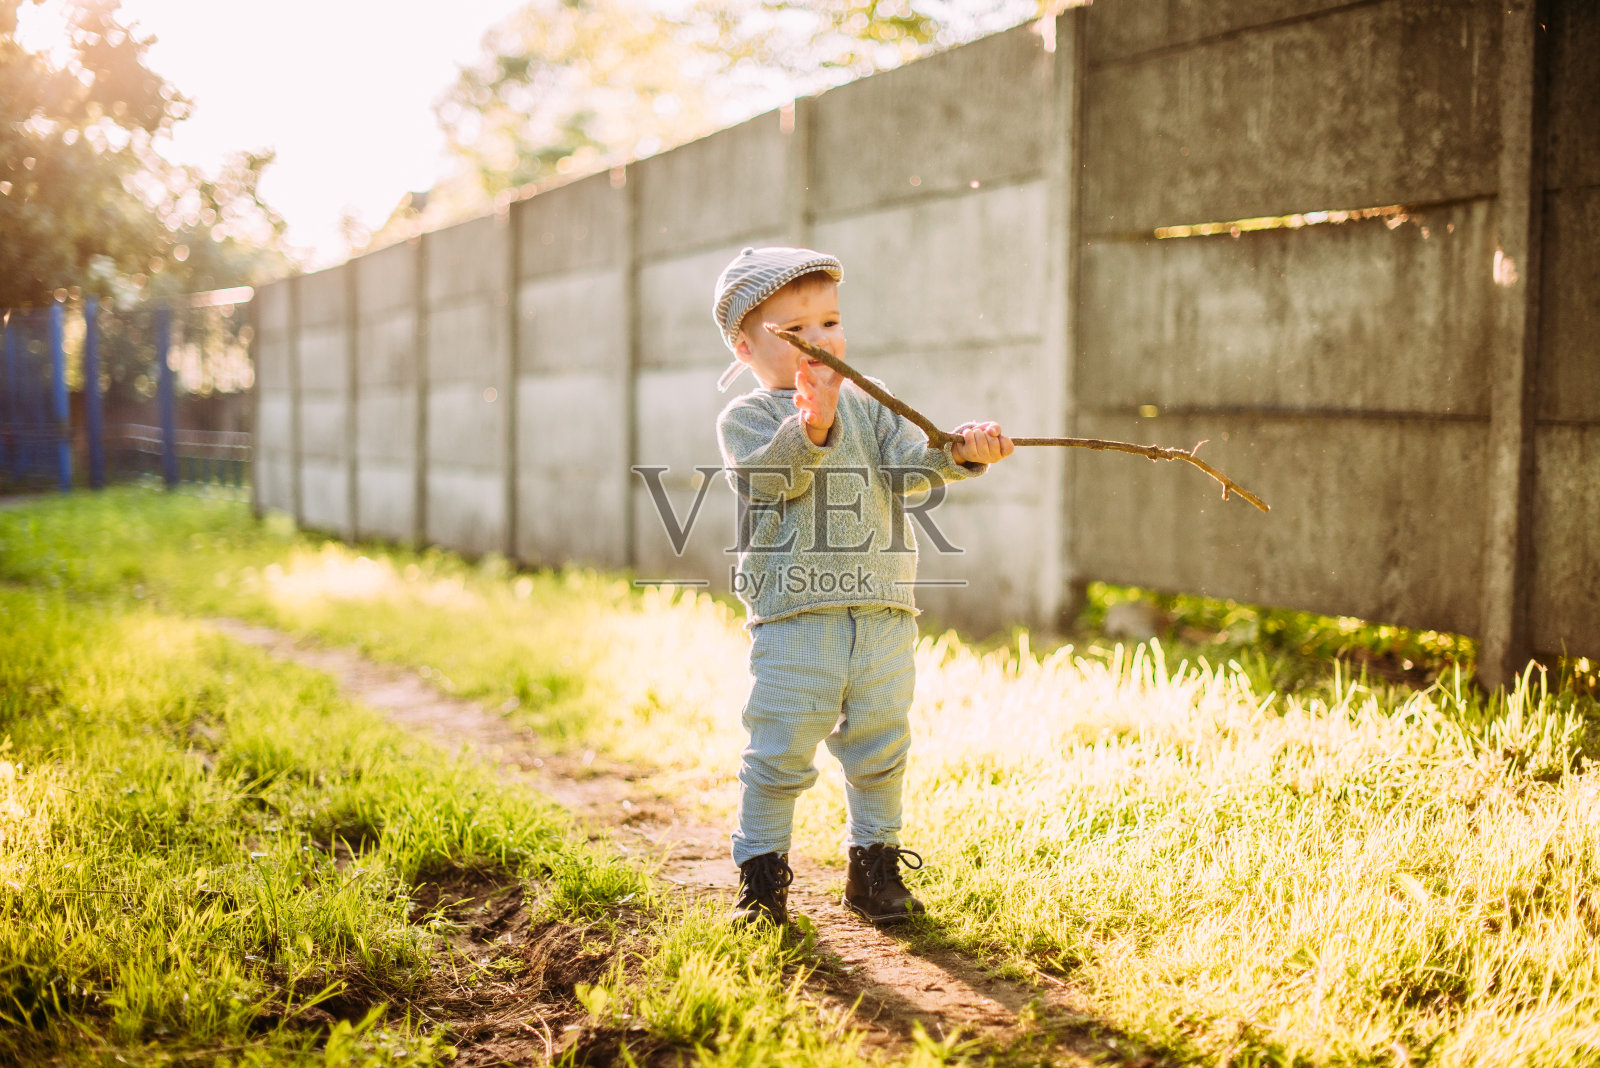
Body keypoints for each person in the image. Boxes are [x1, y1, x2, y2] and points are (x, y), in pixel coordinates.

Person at [711, 246, 1014, 926]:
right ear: (745, 344)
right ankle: (762, 883)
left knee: (881, 748)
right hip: (796, 618)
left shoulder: (870, 406)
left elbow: (908, 471)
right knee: (778, 752)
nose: (821, 342)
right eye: (797, 331)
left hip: (882, 611)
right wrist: (812, 424)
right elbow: (771, 479)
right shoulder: (749, 420)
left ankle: (873, 871)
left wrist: (958, 452)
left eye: (831, 323)